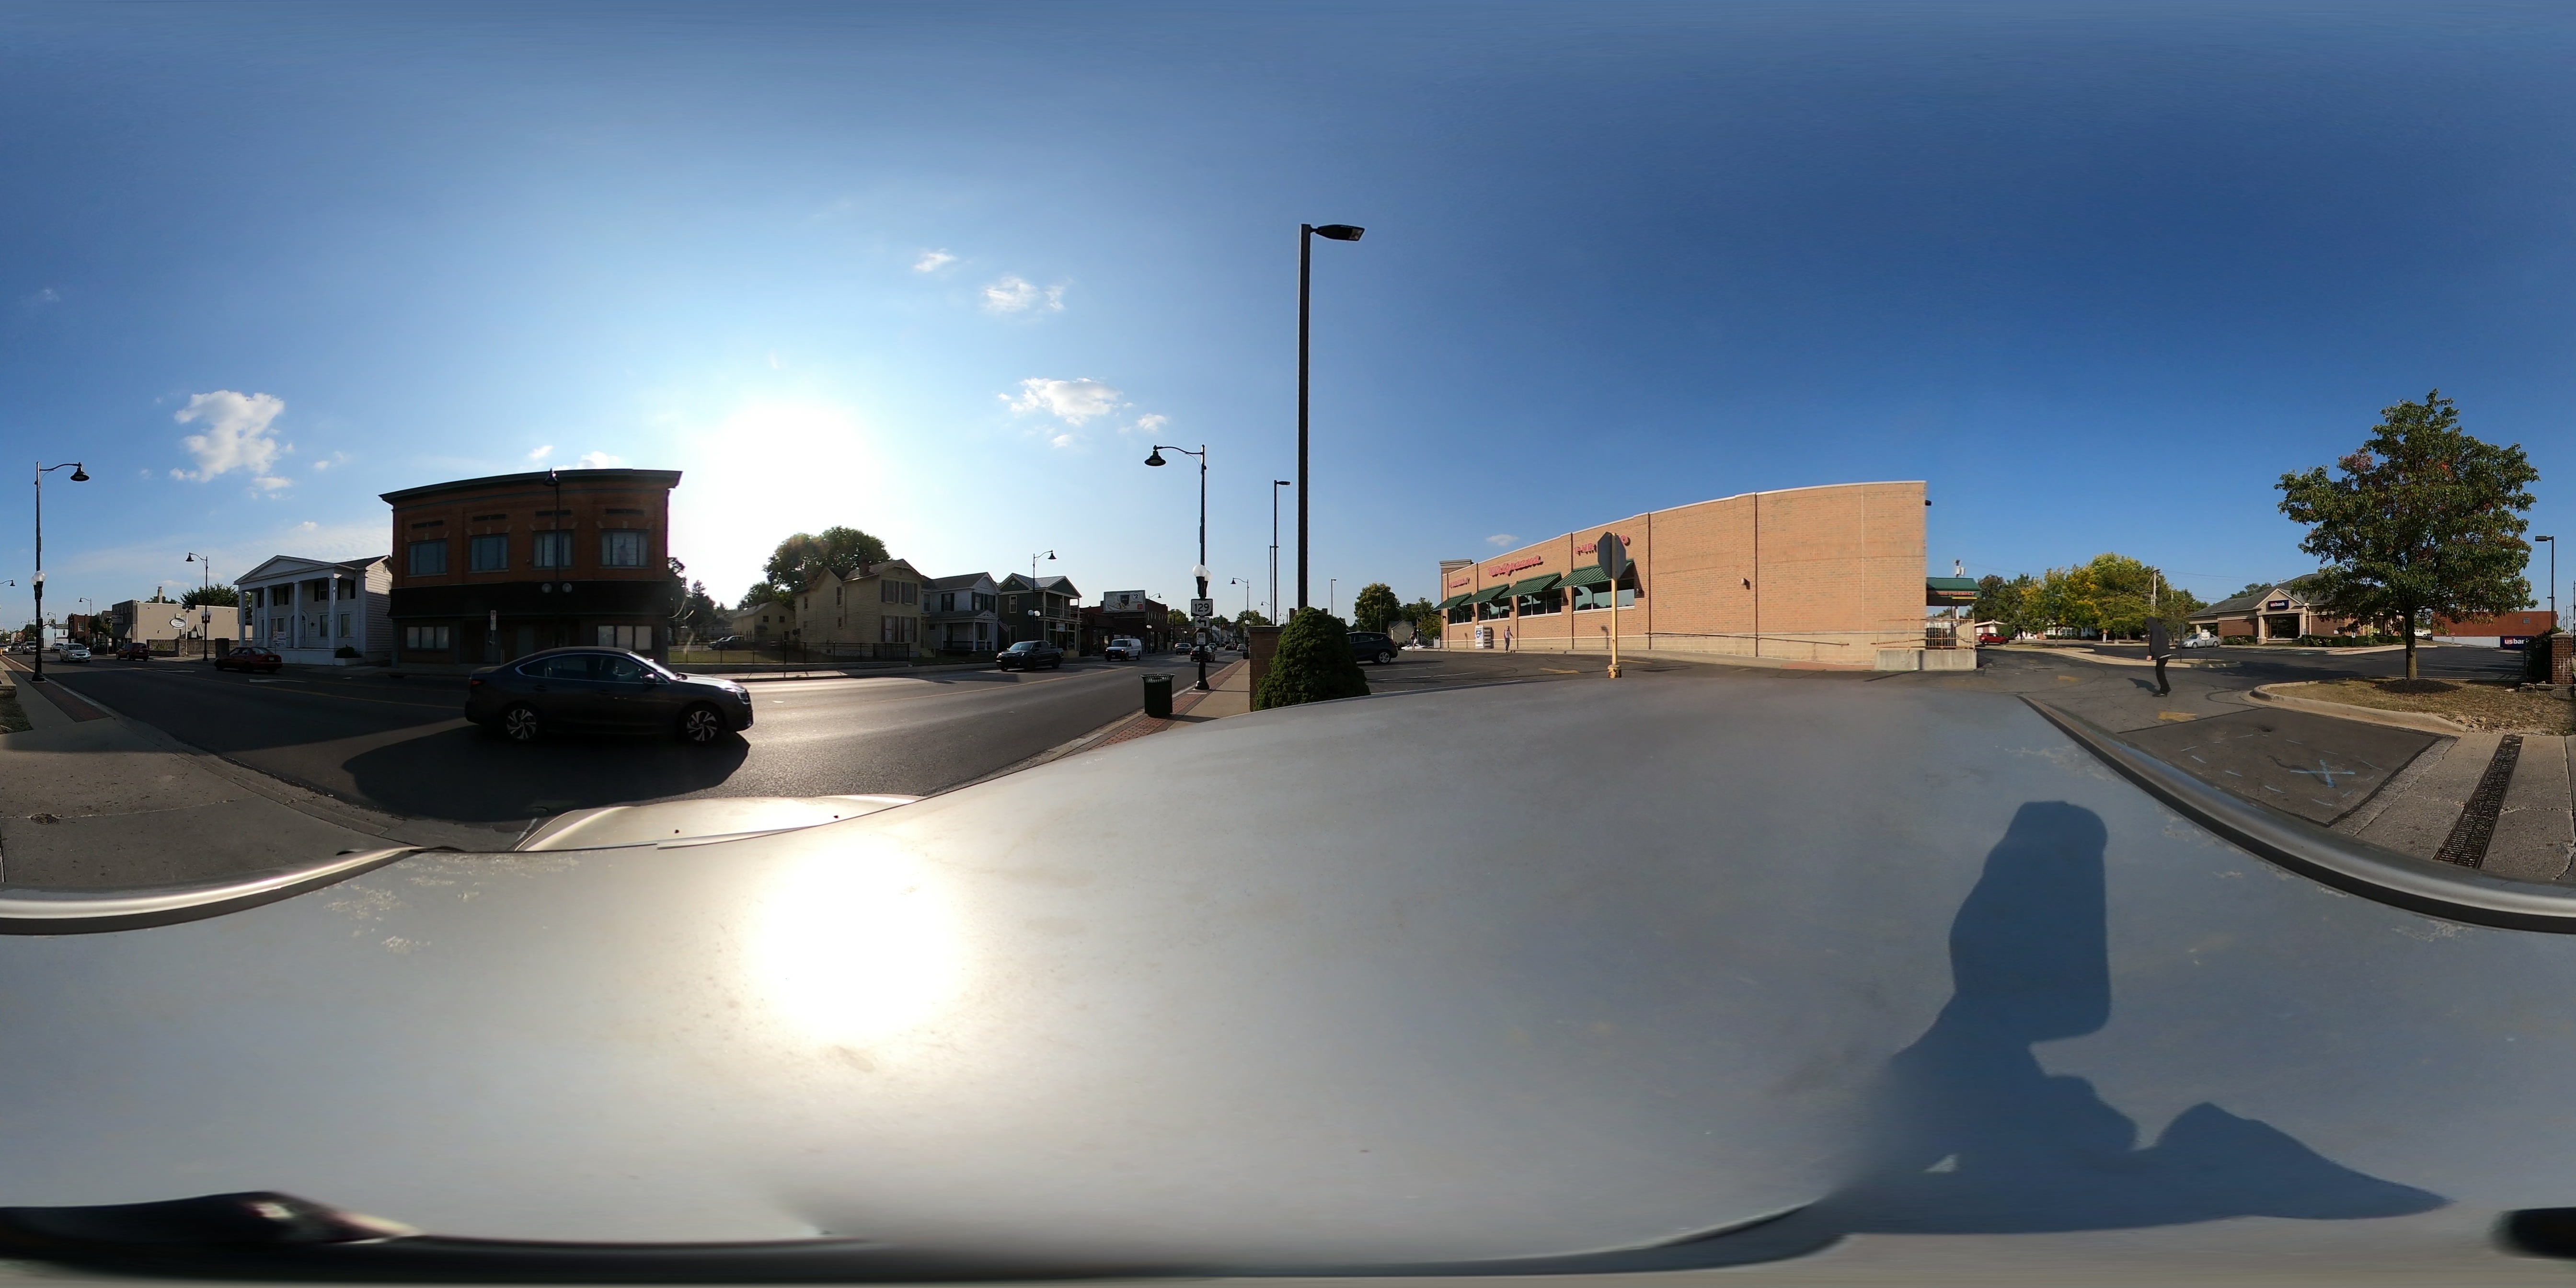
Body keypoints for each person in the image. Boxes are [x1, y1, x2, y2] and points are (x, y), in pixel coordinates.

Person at [2147, 618, 2172, 697]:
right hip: (2166, 653)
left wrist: (2151, 654)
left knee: (2160, 673)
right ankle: (2166, 688)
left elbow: (2154, 642)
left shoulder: (2154, 629)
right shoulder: (2161, 628)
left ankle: (2165, 690)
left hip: (2161, 654)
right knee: (2160, 671)